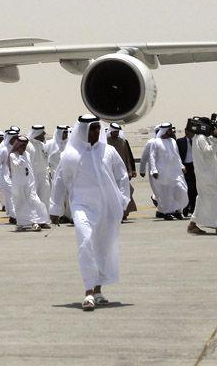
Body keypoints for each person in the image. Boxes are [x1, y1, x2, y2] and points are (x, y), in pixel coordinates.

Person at [47, 115, 130, 312]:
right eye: (91, 129)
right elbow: (59, 181)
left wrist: (123, 200)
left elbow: (122, 175)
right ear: (82, 131)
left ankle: (98, 289)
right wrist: (56, 208)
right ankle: (88, 292)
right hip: (81, 206)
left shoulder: (108, 151)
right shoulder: (70, 154)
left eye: (96, 128)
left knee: (102, 247)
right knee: (85, 242)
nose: (94, 132)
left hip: (106, 207)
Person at [188, 119, 217, 235]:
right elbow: (209, 152)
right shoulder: (201, 138)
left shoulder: (200, 138)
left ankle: (192, 225)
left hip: (206, 175)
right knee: (213, 199)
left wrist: (215, 139)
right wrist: (216, 139)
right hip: (206, 176)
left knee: (202, 199)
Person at [9, 136, 51, 231]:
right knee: (20, 204)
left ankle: (36, 222)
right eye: (21, 146)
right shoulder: (13, 155)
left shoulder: (27, 154)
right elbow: (16, 164)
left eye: (25, 146)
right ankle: (21, 224)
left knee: (35, 202)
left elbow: (30, 169)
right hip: (19, 185)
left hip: (29, 184)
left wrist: (32, 182)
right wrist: (20, 158)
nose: (23, 148)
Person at [146, 124, 188, 219]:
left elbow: (176, 155)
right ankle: (167, 212)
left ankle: (178, 209)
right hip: (162, 172)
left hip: (174, 172)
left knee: (181, 189)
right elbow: (152, 157)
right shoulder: (156, 142)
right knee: (166, 194)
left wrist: (181, 166)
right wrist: (154, 170)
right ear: (165, 131)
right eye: (170, 130)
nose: (172, 132)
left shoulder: (172, 141)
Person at [107, 124, 137, 221]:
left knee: (125, 192)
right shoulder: (106, 142)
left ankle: (124, 213)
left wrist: (130, 170)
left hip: (121, 172)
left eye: (117, 132)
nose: (116, 133)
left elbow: (127, 157)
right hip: (109, 173)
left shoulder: (122, 142)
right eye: (115, 131)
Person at [28, 125, 53, 212]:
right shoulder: (28, 145)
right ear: (37, 134)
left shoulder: (42, 145)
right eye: (43, 133)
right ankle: (35, 219)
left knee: (45, 196)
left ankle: (44, 219)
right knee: (34, 197)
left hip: (43, 176)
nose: (45, 134)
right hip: (33, 176)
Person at [177, 120, 198, 216]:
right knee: (187, 188)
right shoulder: (180, 142)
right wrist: (181, 166)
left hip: (195, 166)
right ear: (186, 131)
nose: (191, 133)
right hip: (185, 167)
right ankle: (185, 208)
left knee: (195, 189)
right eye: (189, 131)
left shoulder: (197, 142)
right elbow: (177, 155)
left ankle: (193, 208)